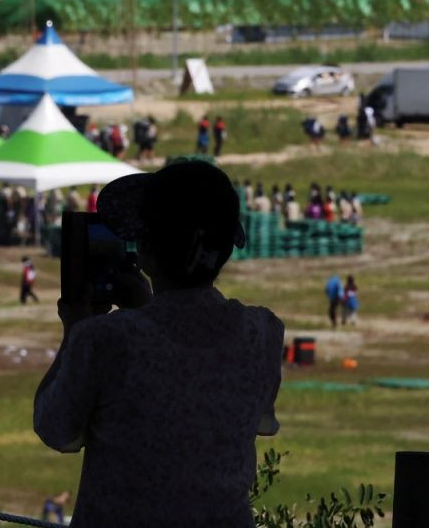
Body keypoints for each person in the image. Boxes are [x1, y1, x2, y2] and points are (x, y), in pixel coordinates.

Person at [34, 161, 283, 527]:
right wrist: (146, 308)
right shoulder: (262, 334)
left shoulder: (106, 339)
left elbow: (55, 428)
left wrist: (75, 329)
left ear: (147, 247)